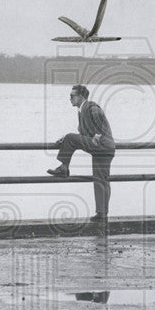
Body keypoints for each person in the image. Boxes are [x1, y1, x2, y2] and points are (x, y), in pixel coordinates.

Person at [46, 84, 115, 222]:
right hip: (106, 148)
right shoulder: (81, 111)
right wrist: (65, 139)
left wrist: (98, 133)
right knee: (101, 180)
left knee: (70, 137)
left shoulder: (90, 106)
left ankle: (64, 168)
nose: (69, 99)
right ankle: (102, 214)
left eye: (72, 96)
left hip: (101, 145)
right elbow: (83, 134)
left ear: (81, 97)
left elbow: (98, 114)